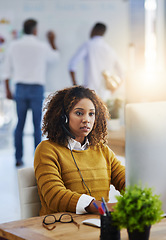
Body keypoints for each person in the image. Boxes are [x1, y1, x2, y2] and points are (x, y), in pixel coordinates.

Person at [34, 85, 125, 216]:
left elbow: (125, 180)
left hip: (98, 225)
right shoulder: (47, 150)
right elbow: (54, 196)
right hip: (60, 228)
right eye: (79, 113)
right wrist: (102, 207)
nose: (86, 120)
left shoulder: (102, 150)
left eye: (91, 114)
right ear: (63, 117)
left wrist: (141, 195)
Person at [3, 19, 59, 166]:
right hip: (36, 88)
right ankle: (38, 160)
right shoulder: (42, 46)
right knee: (36, 125)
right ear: (35, 30)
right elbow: (55, 57)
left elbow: (6, 70)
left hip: (20, 88)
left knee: (20, 124)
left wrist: (7, 89)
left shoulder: (14, 46)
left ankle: (18, 158)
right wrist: (52, 40)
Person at [68, 22, 125, 101]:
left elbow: (72, 64)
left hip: (89, 93)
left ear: (93, 30)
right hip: (105, 96)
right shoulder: (110, 50)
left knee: (90, 113)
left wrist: (75, 86)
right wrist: (112, 90)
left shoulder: (88, 45)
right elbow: (122, 74)